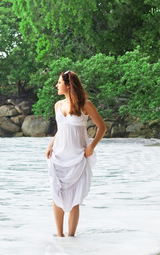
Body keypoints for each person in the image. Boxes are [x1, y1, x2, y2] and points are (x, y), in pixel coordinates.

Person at [45, 70, 106, 237]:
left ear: (68, 84)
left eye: (59, 82)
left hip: (78, 157)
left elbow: (102, 127)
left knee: (74, 200)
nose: (57, 85)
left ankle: (71, 239)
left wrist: (91, 147)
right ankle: (60, 238)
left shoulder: (85, 105)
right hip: (58, 156)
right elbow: (61, 130)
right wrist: (50, 145)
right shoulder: (58, 105)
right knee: (56, 196)